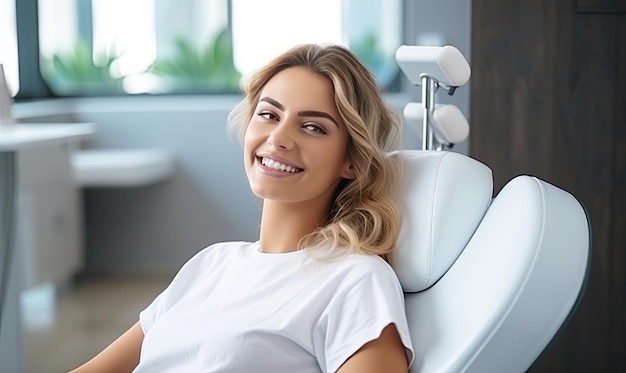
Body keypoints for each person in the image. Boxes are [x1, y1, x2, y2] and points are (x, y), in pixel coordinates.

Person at [69, 43, 414, 373]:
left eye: (313, 127)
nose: (278, 137)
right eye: (268, 114)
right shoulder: (210, 264)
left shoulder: (355, 280)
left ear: (351, 161)